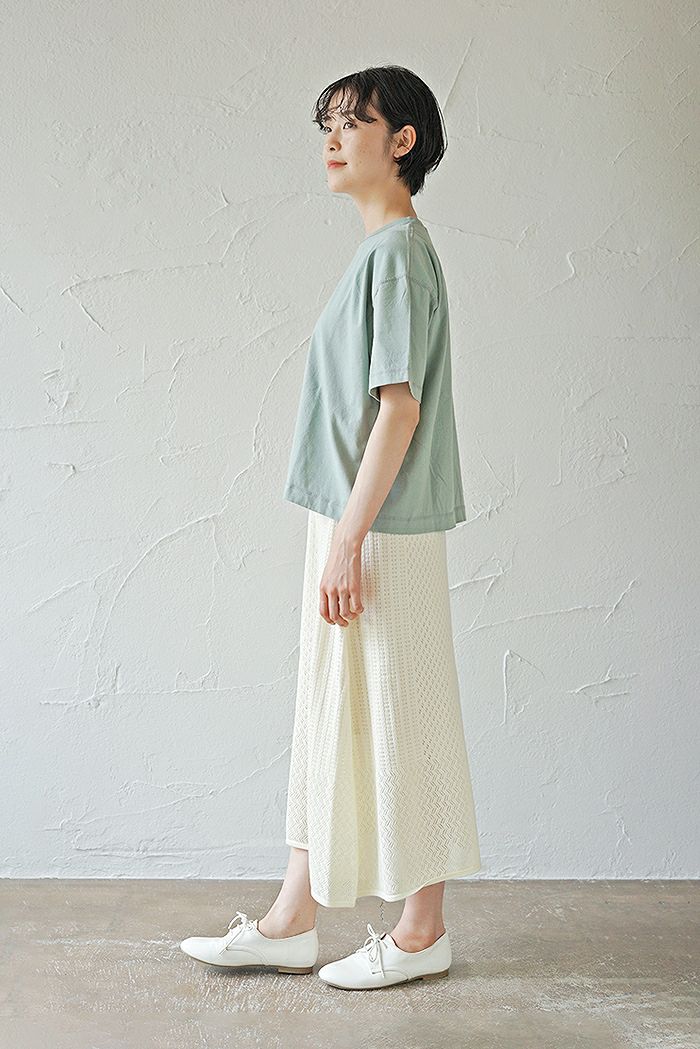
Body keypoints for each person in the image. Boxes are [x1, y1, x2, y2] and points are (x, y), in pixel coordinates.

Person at [180, 64, 481, 991]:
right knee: (331, 707)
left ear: (403, 141)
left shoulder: (397, 256)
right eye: (328, 124)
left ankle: (422, 931)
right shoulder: (383, 253)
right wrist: (340, 532)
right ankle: (292, 917)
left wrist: (350, 540)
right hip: (354, 516)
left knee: (401, 708)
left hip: (377, 523)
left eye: (354, 122)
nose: (333, 139)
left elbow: (400, 408)